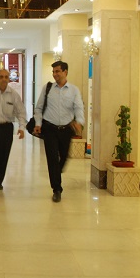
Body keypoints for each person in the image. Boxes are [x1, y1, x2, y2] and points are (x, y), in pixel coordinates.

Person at [33, 61, 85, 203]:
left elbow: (78, 107)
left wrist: (79, 121)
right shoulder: (48, 88)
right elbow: (39, 108)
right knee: (52, 159)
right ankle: (56, 189)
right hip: (50, 128)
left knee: (64, 156)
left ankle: (58, 169)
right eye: (53, 72)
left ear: (65, 72)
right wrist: (38, 124)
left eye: (57, 71)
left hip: (66, 129)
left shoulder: (74, 90)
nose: (55, 74)